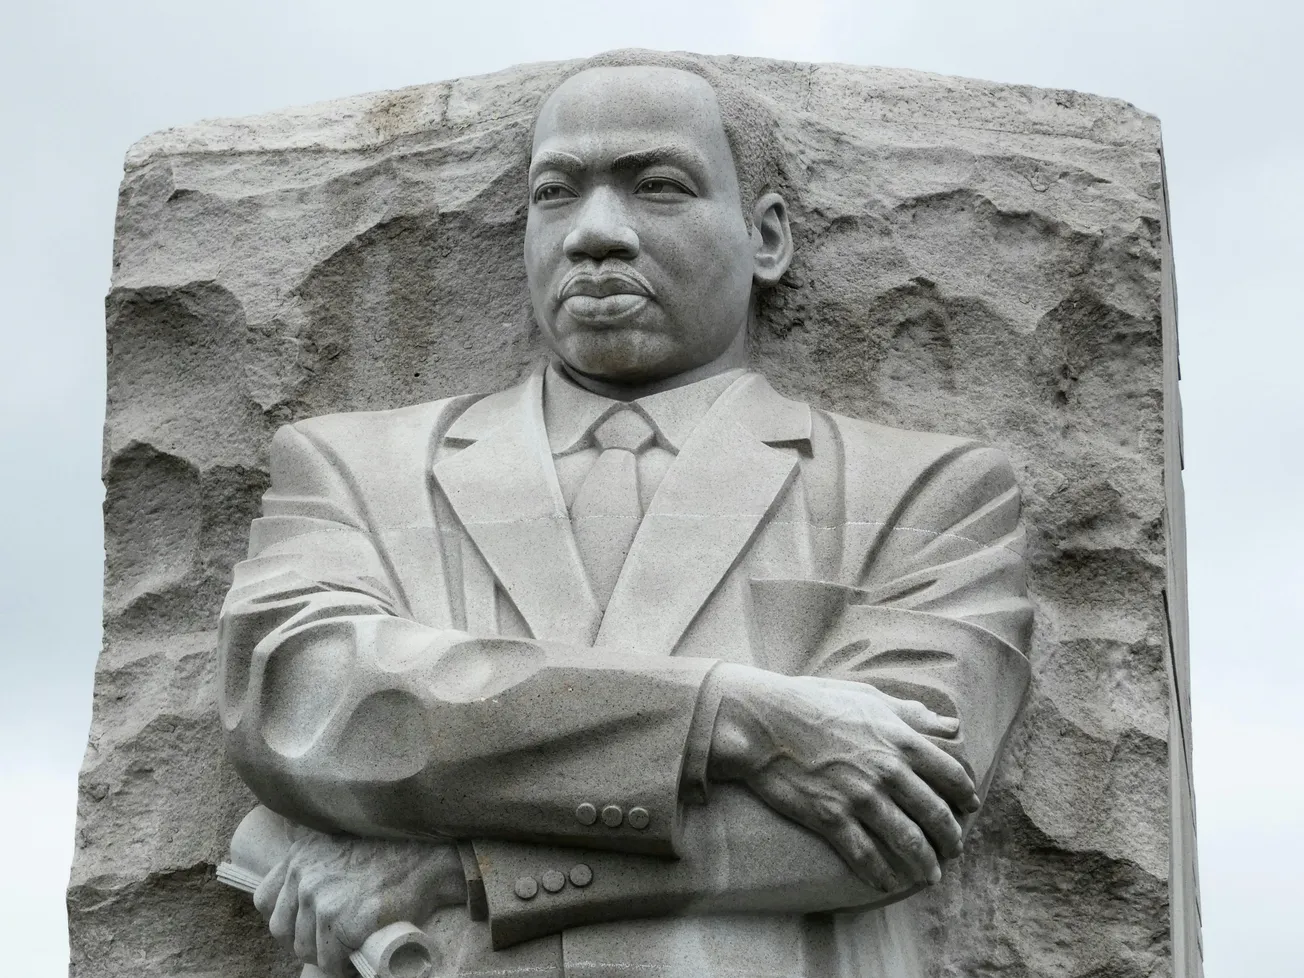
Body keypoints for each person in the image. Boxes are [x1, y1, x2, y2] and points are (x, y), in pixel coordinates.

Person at [218, 49, 1032, 978]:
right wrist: (733, 717)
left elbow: (888, 821)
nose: (594, 232)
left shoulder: (928, 491)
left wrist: (455, 868)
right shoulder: (354, 469)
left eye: (658, 186)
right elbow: (307, 708)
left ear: (766, 238)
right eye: (556, 192)